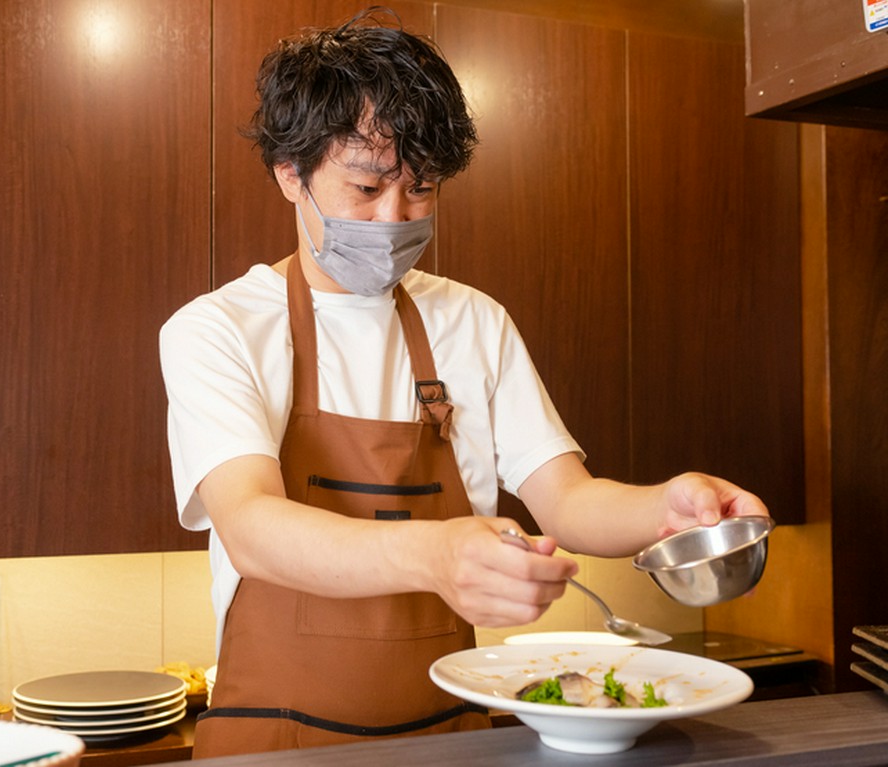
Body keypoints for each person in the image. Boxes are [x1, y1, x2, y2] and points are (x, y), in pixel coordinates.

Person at [159, 8, 769, 758]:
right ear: (292, 174)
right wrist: (435, 555)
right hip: (273, 741)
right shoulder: (218, 329)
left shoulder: (474, 321)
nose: (394, 218)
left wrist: (666, 507)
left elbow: (567, 500)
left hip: (451, 739)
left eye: (421, 190)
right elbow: (251, 526)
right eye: (366, 187)